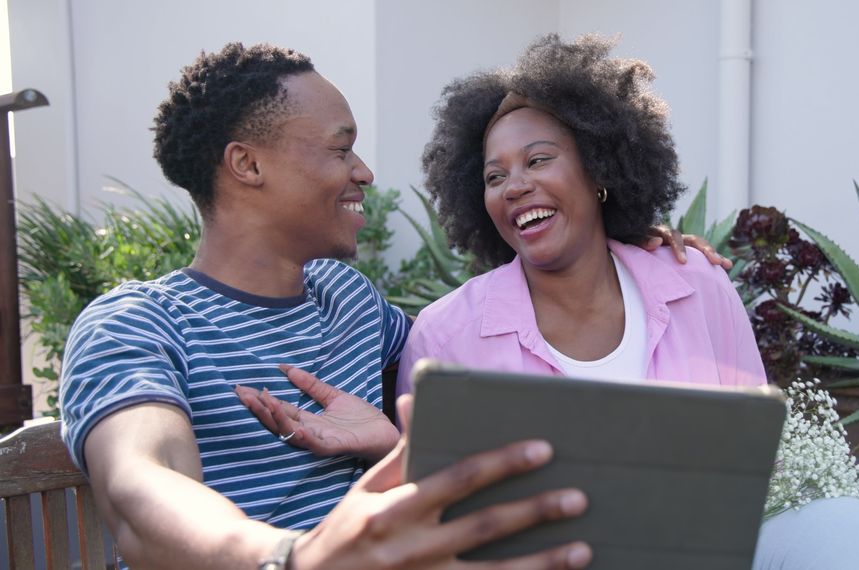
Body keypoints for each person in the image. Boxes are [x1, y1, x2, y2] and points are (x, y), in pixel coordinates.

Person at [58, 42, 594, 570]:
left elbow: (476, 339)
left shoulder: (348, 298)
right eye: (341, 149)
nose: (363, 172)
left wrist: (630, 253)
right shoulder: (136, 325)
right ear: (247, 163)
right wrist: (296, 559)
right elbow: (143, 492)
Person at [396, 34, 859, 569]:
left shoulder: (696, 286)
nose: (515, 185)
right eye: (494, 176)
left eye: (539, 160)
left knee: (847, 527)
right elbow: (432, 515)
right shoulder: (446, 336)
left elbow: (754, 462)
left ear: (599, 169)